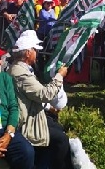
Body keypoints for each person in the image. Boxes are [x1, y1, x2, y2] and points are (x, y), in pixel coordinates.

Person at [8, 30, 72, 169]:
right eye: (35, 50)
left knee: (58, 129)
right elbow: (45, 94)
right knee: (61, 140)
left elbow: (34, 95)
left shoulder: (21, 69)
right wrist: (59, 76)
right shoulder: (20, 72)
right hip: (26, 122)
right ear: (28, 53)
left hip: (33, 113)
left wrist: (49, 108)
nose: (37, 54)